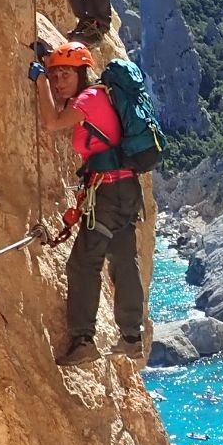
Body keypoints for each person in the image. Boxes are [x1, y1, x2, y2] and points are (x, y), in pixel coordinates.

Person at [31, 41, 144, 365]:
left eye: (65, 75)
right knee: (123, 259)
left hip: (107, 193)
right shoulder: (99, 96)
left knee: (82, 264)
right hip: (125, 188)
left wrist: (39, 80)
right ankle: (131, 336)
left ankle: (83, 340)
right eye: (55, 77)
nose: (58, 82)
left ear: (82, 74)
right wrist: (49, 59)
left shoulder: (89, 99)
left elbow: (52, 122)